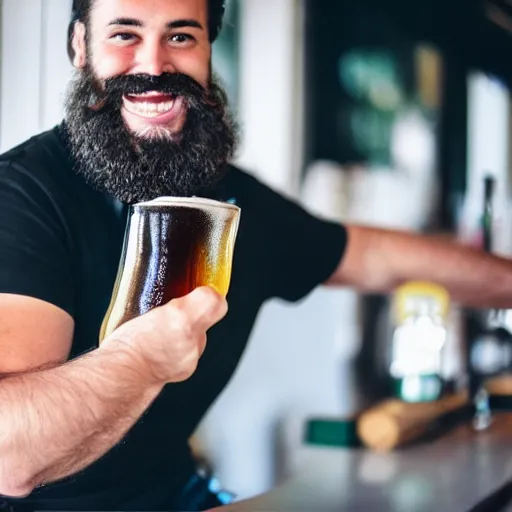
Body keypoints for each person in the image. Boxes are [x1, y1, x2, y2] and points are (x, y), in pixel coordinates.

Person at [0, 0, 511, 510]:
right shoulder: (23, 197)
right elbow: (11, 458)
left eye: (181, 37)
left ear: (207, 52)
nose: (154, 66)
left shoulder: (227, 201)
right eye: (124, 35)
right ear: (80, 47)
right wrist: (141, 359)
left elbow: (375, 257)